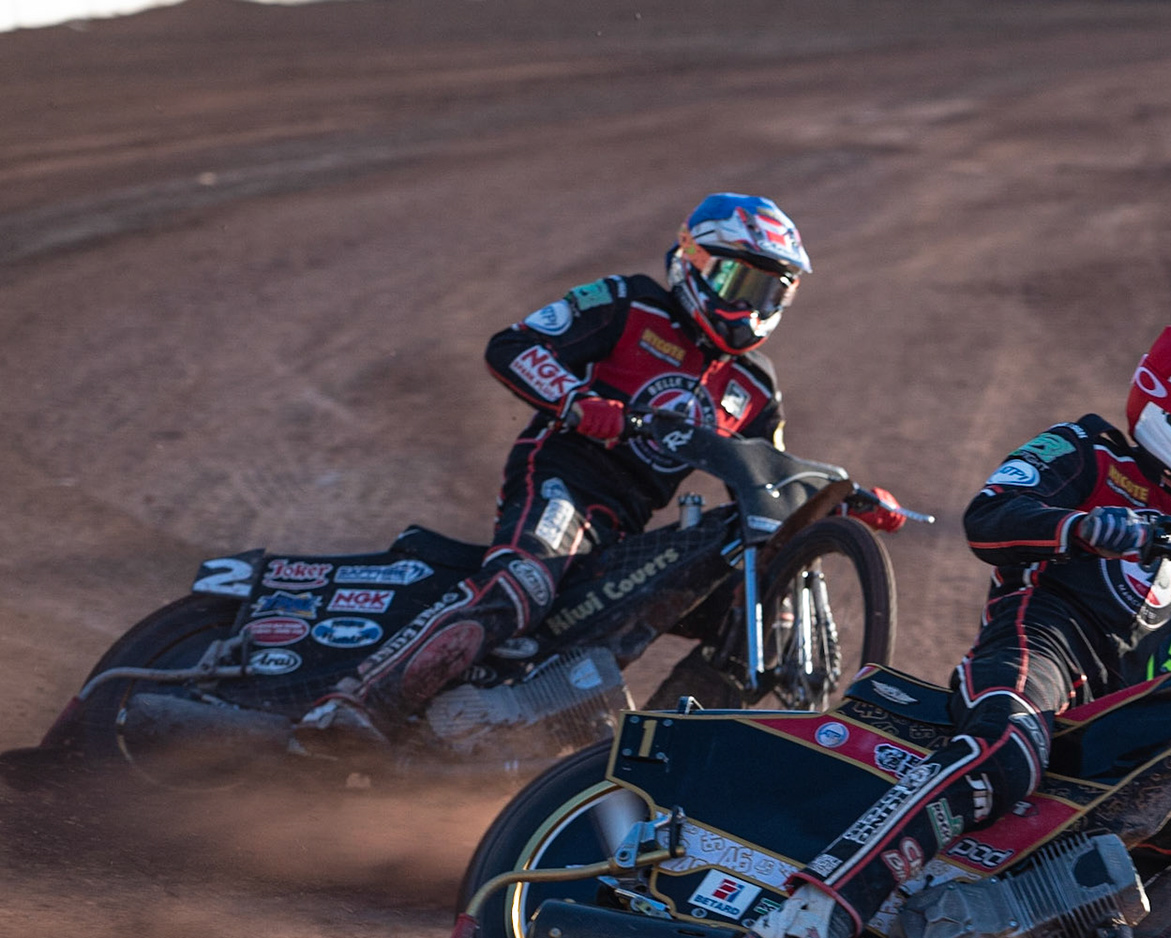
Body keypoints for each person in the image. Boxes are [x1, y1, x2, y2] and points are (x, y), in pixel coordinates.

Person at [752, 322, 1171, 938]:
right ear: (1160, 405)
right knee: (1009, 746)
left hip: (1111, 719)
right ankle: (812, 914)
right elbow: (989, 518)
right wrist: (1083, 526)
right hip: (1034, 651)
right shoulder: (1087, 449)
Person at [300, 193, 904, 748]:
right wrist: (577, 404)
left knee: (758, 614)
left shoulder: (755, 384)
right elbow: (513, 346)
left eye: (771, 293)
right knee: (524, 582)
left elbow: (767, 482)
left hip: (628, 523)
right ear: (693, 262)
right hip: (565, 479)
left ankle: (661, 758)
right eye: (740, 282)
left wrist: (844, 500)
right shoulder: (628, 302)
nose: (751, 306)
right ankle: (353, 707)